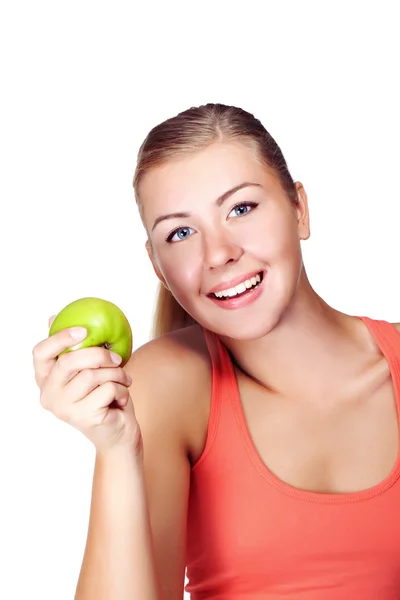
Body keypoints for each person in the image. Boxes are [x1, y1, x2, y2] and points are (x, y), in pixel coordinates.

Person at [32, 103, 400, 599]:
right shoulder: (166, 384)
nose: (218, 253)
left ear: (299, 209)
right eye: (180, 233)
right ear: (159, 267)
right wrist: (117, 449)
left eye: (241, 209)